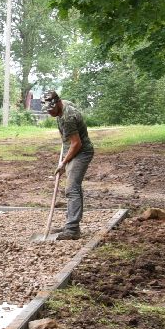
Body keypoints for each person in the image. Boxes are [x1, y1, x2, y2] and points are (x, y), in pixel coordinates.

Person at [43, 90, 93, 240]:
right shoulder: (63, 105)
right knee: (73, 189)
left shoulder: (68, 117)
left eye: (52, 110)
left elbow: (76, 144)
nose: (50, 113)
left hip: (81, 153)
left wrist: (64, 163)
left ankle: (72, 229)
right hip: (72, 150)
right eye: (47, 110)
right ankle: (70, 224)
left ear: (58, 103)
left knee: (72, 189)